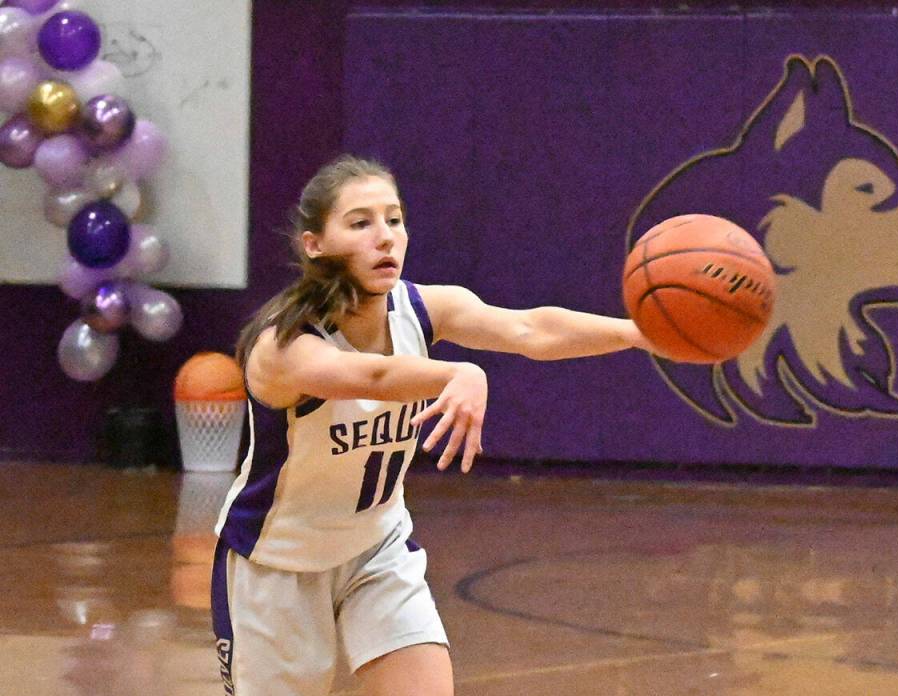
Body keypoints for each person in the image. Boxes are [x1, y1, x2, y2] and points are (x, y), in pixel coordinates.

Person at [211, 154, 658, 696]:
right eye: (360, 223)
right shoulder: (283, 346)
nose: (385, 238)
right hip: (276, 563)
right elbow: (370, 375)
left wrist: (639, 333)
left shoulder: (422, 309)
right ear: (315, 244)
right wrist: (458, 372)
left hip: (375, 548)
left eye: (394, 219)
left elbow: (530, 329)